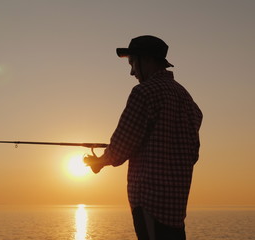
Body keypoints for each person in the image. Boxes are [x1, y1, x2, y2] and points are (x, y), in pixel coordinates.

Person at [84, 35, 203, 240]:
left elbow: (121, 147)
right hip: (176, 207)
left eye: (132, 63)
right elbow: (192, 153)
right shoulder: (186, 98)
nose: (131, 72)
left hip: (150, 202)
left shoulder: (144, 93)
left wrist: (99, 161)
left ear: (146, 60)